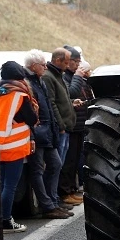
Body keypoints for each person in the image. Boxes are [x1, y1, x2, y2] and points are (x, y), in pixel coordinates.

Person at [0, 61, 38, 233]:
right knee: (10, 186)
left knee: (0, 185)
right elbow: (31, 119)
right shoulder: (19, 96)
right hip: (13, 146)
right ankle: (5, 220)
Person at [24, 50, 70, 219]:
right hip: (39, 133)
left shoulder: (39, 81)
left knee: (55, 164)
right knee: (36, 170)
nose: (45, 67)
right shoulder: (29, 82)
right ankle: (47, 206)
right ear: (33, 66)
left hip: (47, 132)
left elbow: (47, 106)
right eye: (43, 65)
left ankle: (52, 201)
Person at [44, 48, 77, 204]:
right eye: (65, 62)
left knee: (61, 165)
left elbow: (61, 100)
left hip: (66, 127)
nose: (67, 65)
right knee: (57, 166)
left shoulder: (58, 75)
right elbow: (51, 102)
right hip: (61, 128)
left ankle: (56, 198)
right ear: (57, 60)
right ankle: (55, 198)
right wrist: (61, 124)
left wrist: (71, 104)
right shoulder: (49, 77)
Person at [60, 45, 93, 203]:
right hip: (70, 126)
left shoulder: (75, 76)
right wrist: (79, 75)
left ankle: (71, 189)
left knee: (74, 161)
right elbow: (71, 93)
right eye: (76, 62)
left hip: (78, 124)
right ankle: (65, 191)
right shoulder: (65, 77)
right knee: (68, 161)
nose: (78, 65)